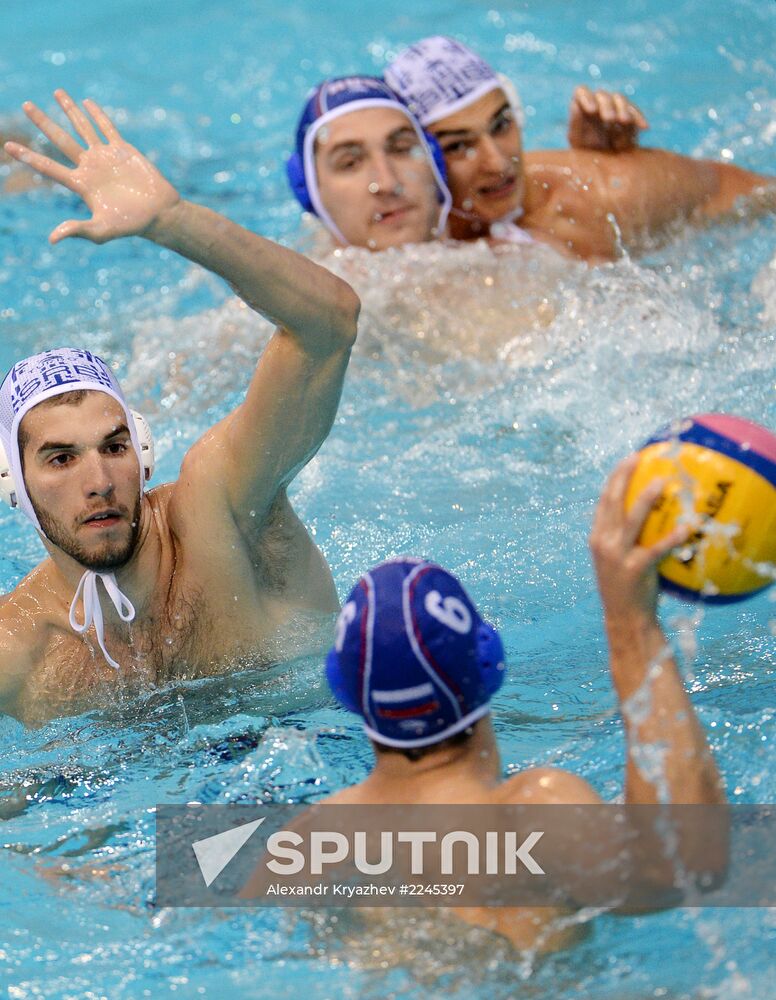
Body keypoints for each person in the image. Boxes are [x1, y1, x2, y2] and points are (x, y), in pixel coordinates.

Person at [0, 90, 360, 726]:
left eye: (114, 447)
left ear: (142, 451)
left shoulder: (223, 509)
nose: (99, 482)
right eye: (60, 458)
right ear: (13, 484)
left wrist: (171, 222)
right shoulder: (20, 650)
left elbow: (328, 324)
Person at [265, 456, 726, 950]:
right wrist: (631, 622)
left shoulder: (308, 848)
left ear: (346, 692)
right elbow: (684, 864)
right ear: (488, 668)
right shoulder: (534, 815)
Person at [386, 36, 774, 261]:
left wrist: (623, 163)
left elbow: (756, 194)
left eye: (501, 125)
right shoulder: (387, 243)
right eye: (459, 146)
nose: (499, 161)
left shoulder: (591, 190)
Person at [286, 74, 451, 252]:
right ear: (310, 193)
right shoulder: (295, 278)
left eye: (401, 148)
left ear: (435, 164)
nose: (387, 183)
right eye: (350, 163)